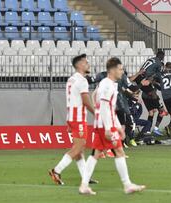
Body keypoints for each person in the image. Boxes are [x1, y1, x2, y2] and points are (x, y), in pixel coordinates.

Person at [79, 57, 145, 195]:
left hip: (104, 123)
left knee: (96, 154)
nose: (122, 72)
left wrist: (118, 126)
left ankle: (84, 185)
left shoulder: (110, 84)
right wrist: (110, 127)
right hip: (105, 125)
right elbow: (103, 106)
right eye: (120, 69)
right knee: (118, 152)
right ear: (113, 70)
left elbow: (109, 107)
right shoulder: (106, 85)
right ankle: (127, 185)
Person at [48, 54, 95, 185]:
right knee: (79, 147)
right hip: (78, 118)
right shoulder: (82, 80)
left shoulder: (71, 80)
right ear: (79, 65)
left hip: (72, 117)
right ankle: (56, 171)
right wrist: (97, 113)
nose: (88, 64)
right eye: (86, 63)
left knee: (79, 149)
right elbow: (85, 100)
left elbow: (72, 99)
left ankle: (85, 176)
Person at [135, 51, 168, 136]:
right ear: (162, 57)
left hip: (140, 78)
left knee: (151, 112)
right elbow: (158, 76)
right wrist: (160, 82)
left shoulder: (151, 60)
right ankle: (160, 109)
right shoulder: (159, 64)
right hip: (143, 79)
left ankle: (148, 130)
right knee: (155, 97)